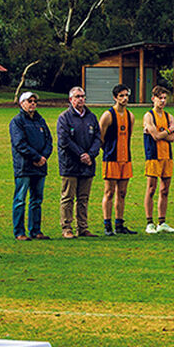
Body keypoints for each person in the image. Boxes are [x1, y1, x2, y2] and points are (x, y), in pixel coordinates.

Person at [56, 86, 99, 238]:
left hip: (88, 164)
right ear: (71, 99)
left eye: (82, 96)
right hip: (70, 163)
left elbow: (97, 138)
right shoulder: (64, 118)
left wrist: (90, 155)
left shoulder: (91, 117)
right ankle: (66, 228)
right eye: (77, 96)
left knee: (83, 198)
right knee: (68, 197)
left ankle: (82, 227)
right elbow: (64, 140)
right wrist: (81, 154)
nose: (81, 99)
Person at [97, 84, 137, 235]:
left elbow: (128, 136)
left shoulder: (130, 116)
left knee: (122, 192)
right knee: (109, 192)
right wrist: (108, 151)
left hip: (125, 159)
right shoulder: (108, 115)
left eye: (126, 95)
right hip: (111, 159)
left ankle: (119, 224)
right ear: (115, 97)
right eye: (121, 96)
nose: (124, 98)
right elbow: (100, 138)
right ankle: (107, 225)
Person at [11, 93, 50, 240]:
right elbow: (19, 143)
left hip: (40, 167)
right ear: (22, 103)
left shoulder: (40, 120)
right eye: (29, 101)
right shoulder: (17, 121)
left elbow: (49, 140)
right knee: (20, 200)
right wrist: (36, 157)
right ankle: (19, 232)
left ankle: (35, 230)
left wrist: (44, 157)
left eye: (35, 101)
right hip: (24, 167)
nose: (33, 103)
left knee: (37, 200)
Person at [144, 87, 174, 230]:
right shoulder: (149, 116)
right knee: (151, 189)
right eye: (160, 98)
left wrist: (162, 134)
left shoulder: (169, 116)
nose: (163, 101)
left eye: (165, 98)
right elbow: (156, 136)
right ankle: (149, 223)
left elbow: (172, 138)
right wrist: (169, 130)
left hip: (167, 156)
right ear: (153, 99)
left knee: (165, 190)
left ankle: (162, 222)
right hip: (153, 156)